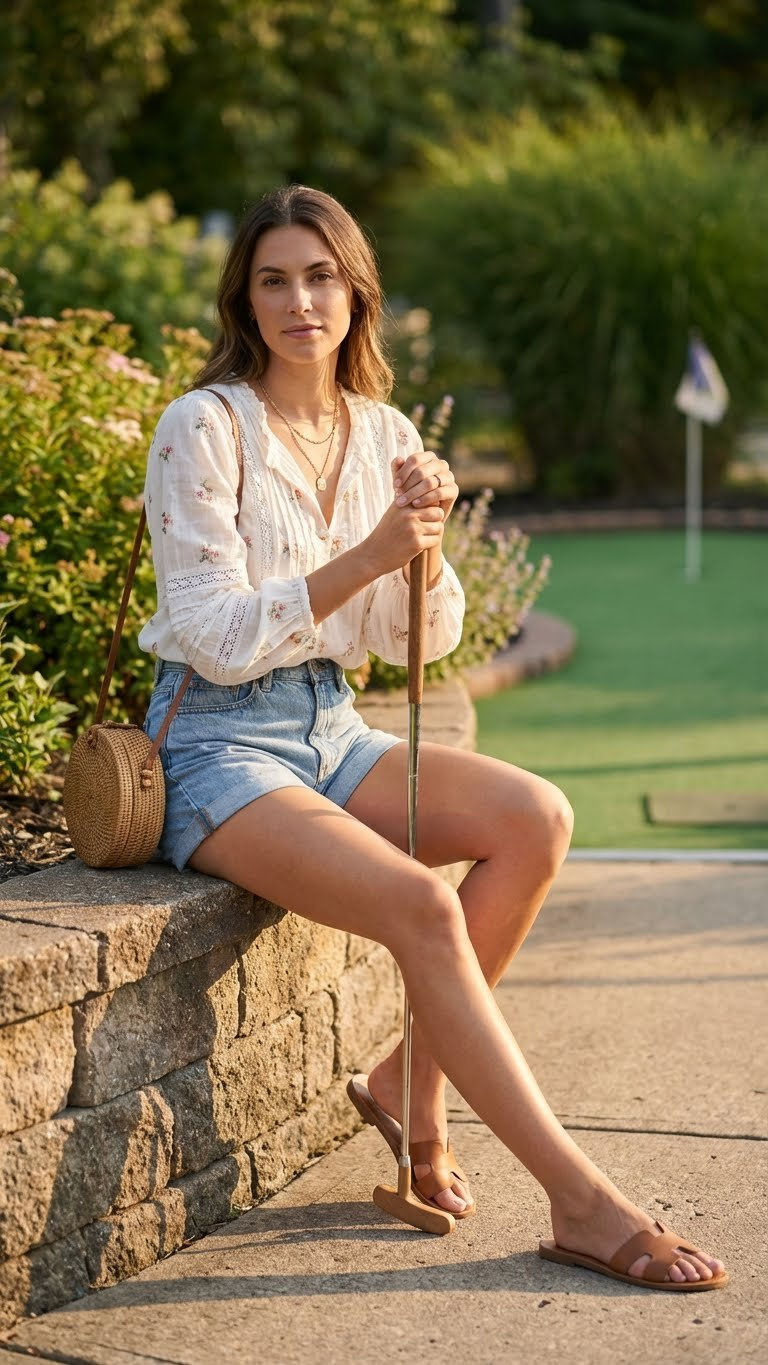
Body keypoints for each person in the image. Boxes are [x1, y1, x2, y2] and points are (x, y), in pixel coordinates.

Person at [141, 184, 727, 1291]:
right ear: (245, 297)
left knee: (535, 817)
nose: (298, 300)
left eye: (321, 276)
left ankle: (408, 1080)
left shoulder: (385, 432)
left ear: (358, 294)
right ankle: (582, 1201)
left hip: (330, 720)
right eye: (274, 278)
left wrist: (425, 546)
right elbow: (214, 637)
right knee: (418, 902)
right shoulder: (203, 427)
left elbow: (428, 638)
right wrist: (368, 551)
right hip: (214, 744)